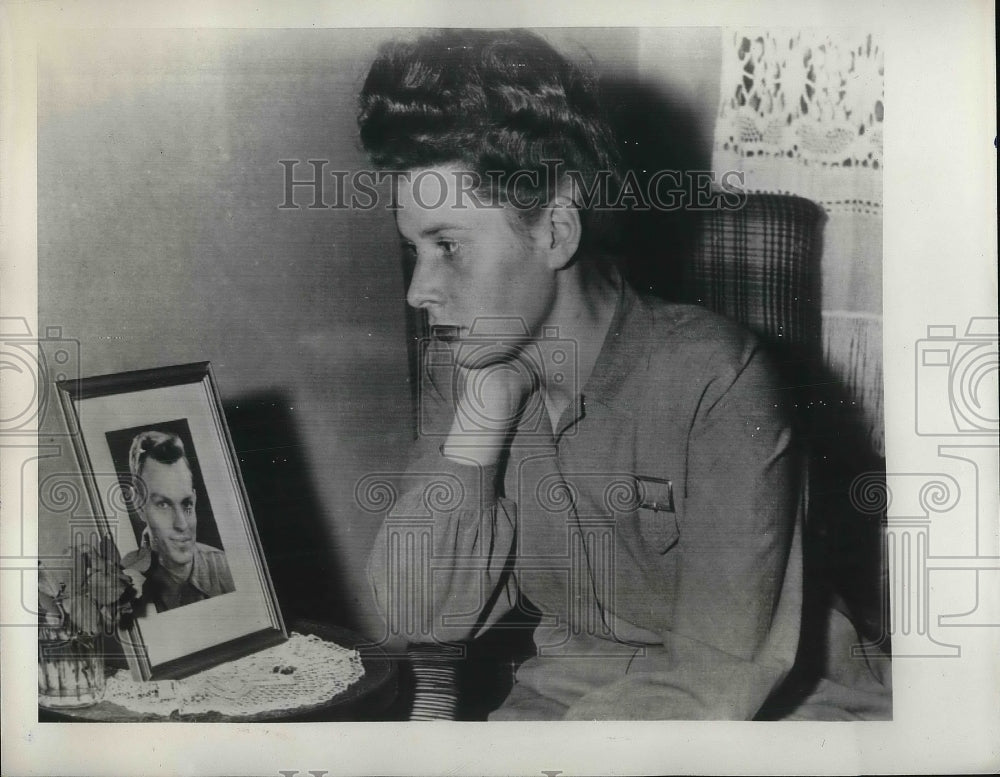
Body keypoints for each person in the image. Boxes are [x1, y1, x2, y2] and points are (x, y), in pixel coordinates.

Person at [360, 29, 887, 720]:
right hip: (564, 707)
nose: (417, 292)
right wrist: (485, 413)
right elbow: (413, 616)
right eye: (413, 249)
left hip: (779, 719)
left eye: (448, 246)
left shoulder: (718, 381)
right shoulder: (466, 371)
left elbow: (715, 682)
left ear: (555, 229)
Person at [128, 430, 235, 613]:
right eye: (163, 504)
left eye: (187, 504)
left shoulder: (226, 568)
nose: (182, 524)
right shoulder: (124, 587)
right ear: (138, 505)